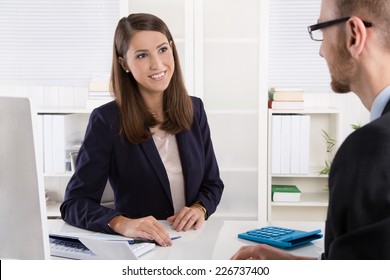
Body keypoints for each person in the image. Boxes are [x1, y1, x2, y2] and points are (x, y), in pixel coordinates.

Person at [231, 0, 390, 260]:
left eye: (321, 31)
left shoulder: (373, 146)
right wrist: (284, 261)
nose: (321, 52)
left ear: (354, 35)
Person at [60, 13, 224, 247]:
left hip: (193, 243)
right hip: (142, 249)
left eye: (162, 49)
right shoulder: (107, 120)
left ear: (172, 48)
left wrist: (200, 208)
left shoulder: (194, 108)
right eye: (142, 55)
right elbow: (74, 203)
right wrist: (119, 222)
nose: (157, 64)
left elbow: (212, 183)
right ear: (124, 63)